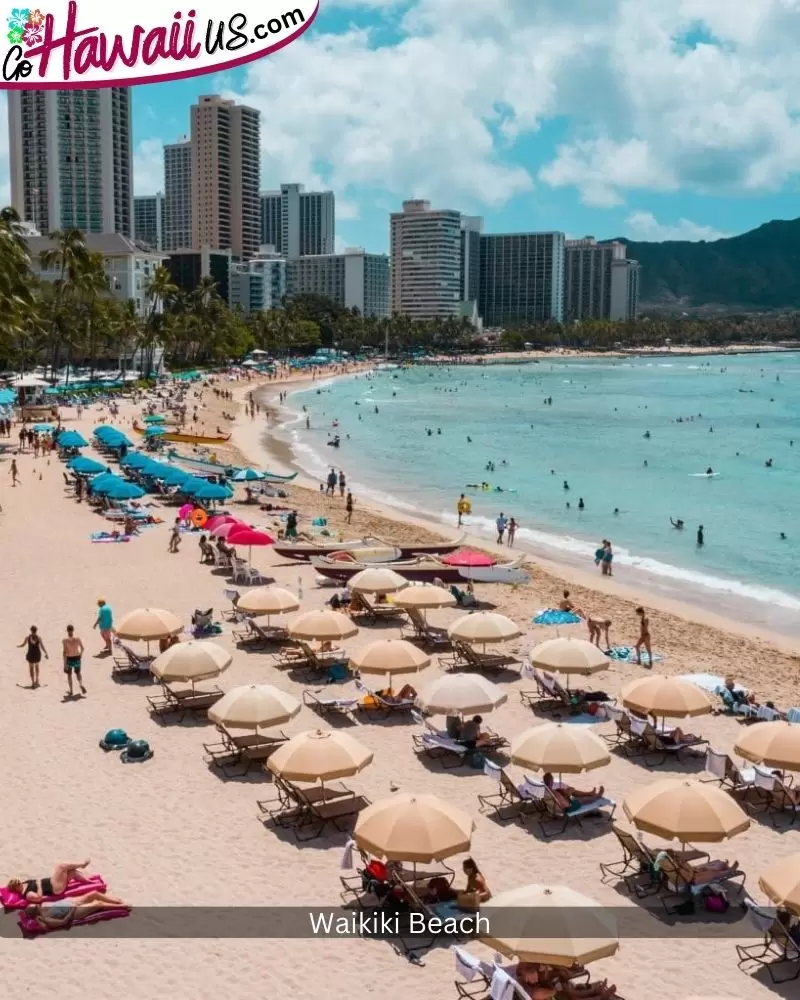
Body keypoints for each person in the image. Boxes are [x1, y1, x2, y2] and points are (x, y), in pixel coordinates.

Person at [25, 891, 130, 930]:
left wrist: (70, 901)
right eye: (35, 906)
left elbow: (57, 903)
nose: (37, 904)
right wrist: (73, 908)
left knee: (94, 893)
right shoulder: (46, 919)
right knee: (98, 904)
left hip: (71, 903)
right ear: (36, 911)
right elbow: (64, 922)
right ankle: (122, 906)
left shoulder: (43, 906)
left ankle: (115, 901)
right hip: (74, 912)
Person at [6, 860, 92, 902]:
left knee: (72, 872)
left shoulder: (24, 884)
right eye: (18, 884)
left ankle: (89, 882)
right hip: (55, 889)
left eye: (18, 881)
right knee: (61, 866)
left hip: (53, 882)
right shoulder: (27, 894)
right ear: (16, 889)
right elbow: (39, 898)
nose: (19, 882)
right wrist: (39, 884)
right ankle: (82, 865)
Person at [62, 625, 86, 697]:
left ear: (67, 630)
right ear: (73, 630)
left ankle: (71, 690)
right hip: (77, 657)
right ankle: (81, 684)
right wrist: (80, 655)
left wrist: (64, 663)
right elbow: (82, 648)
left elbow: (64, 652)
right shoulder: (77, 639)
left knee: (69, 675)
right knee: (78, 673)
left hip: (69, 658)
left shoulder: (65, 640)